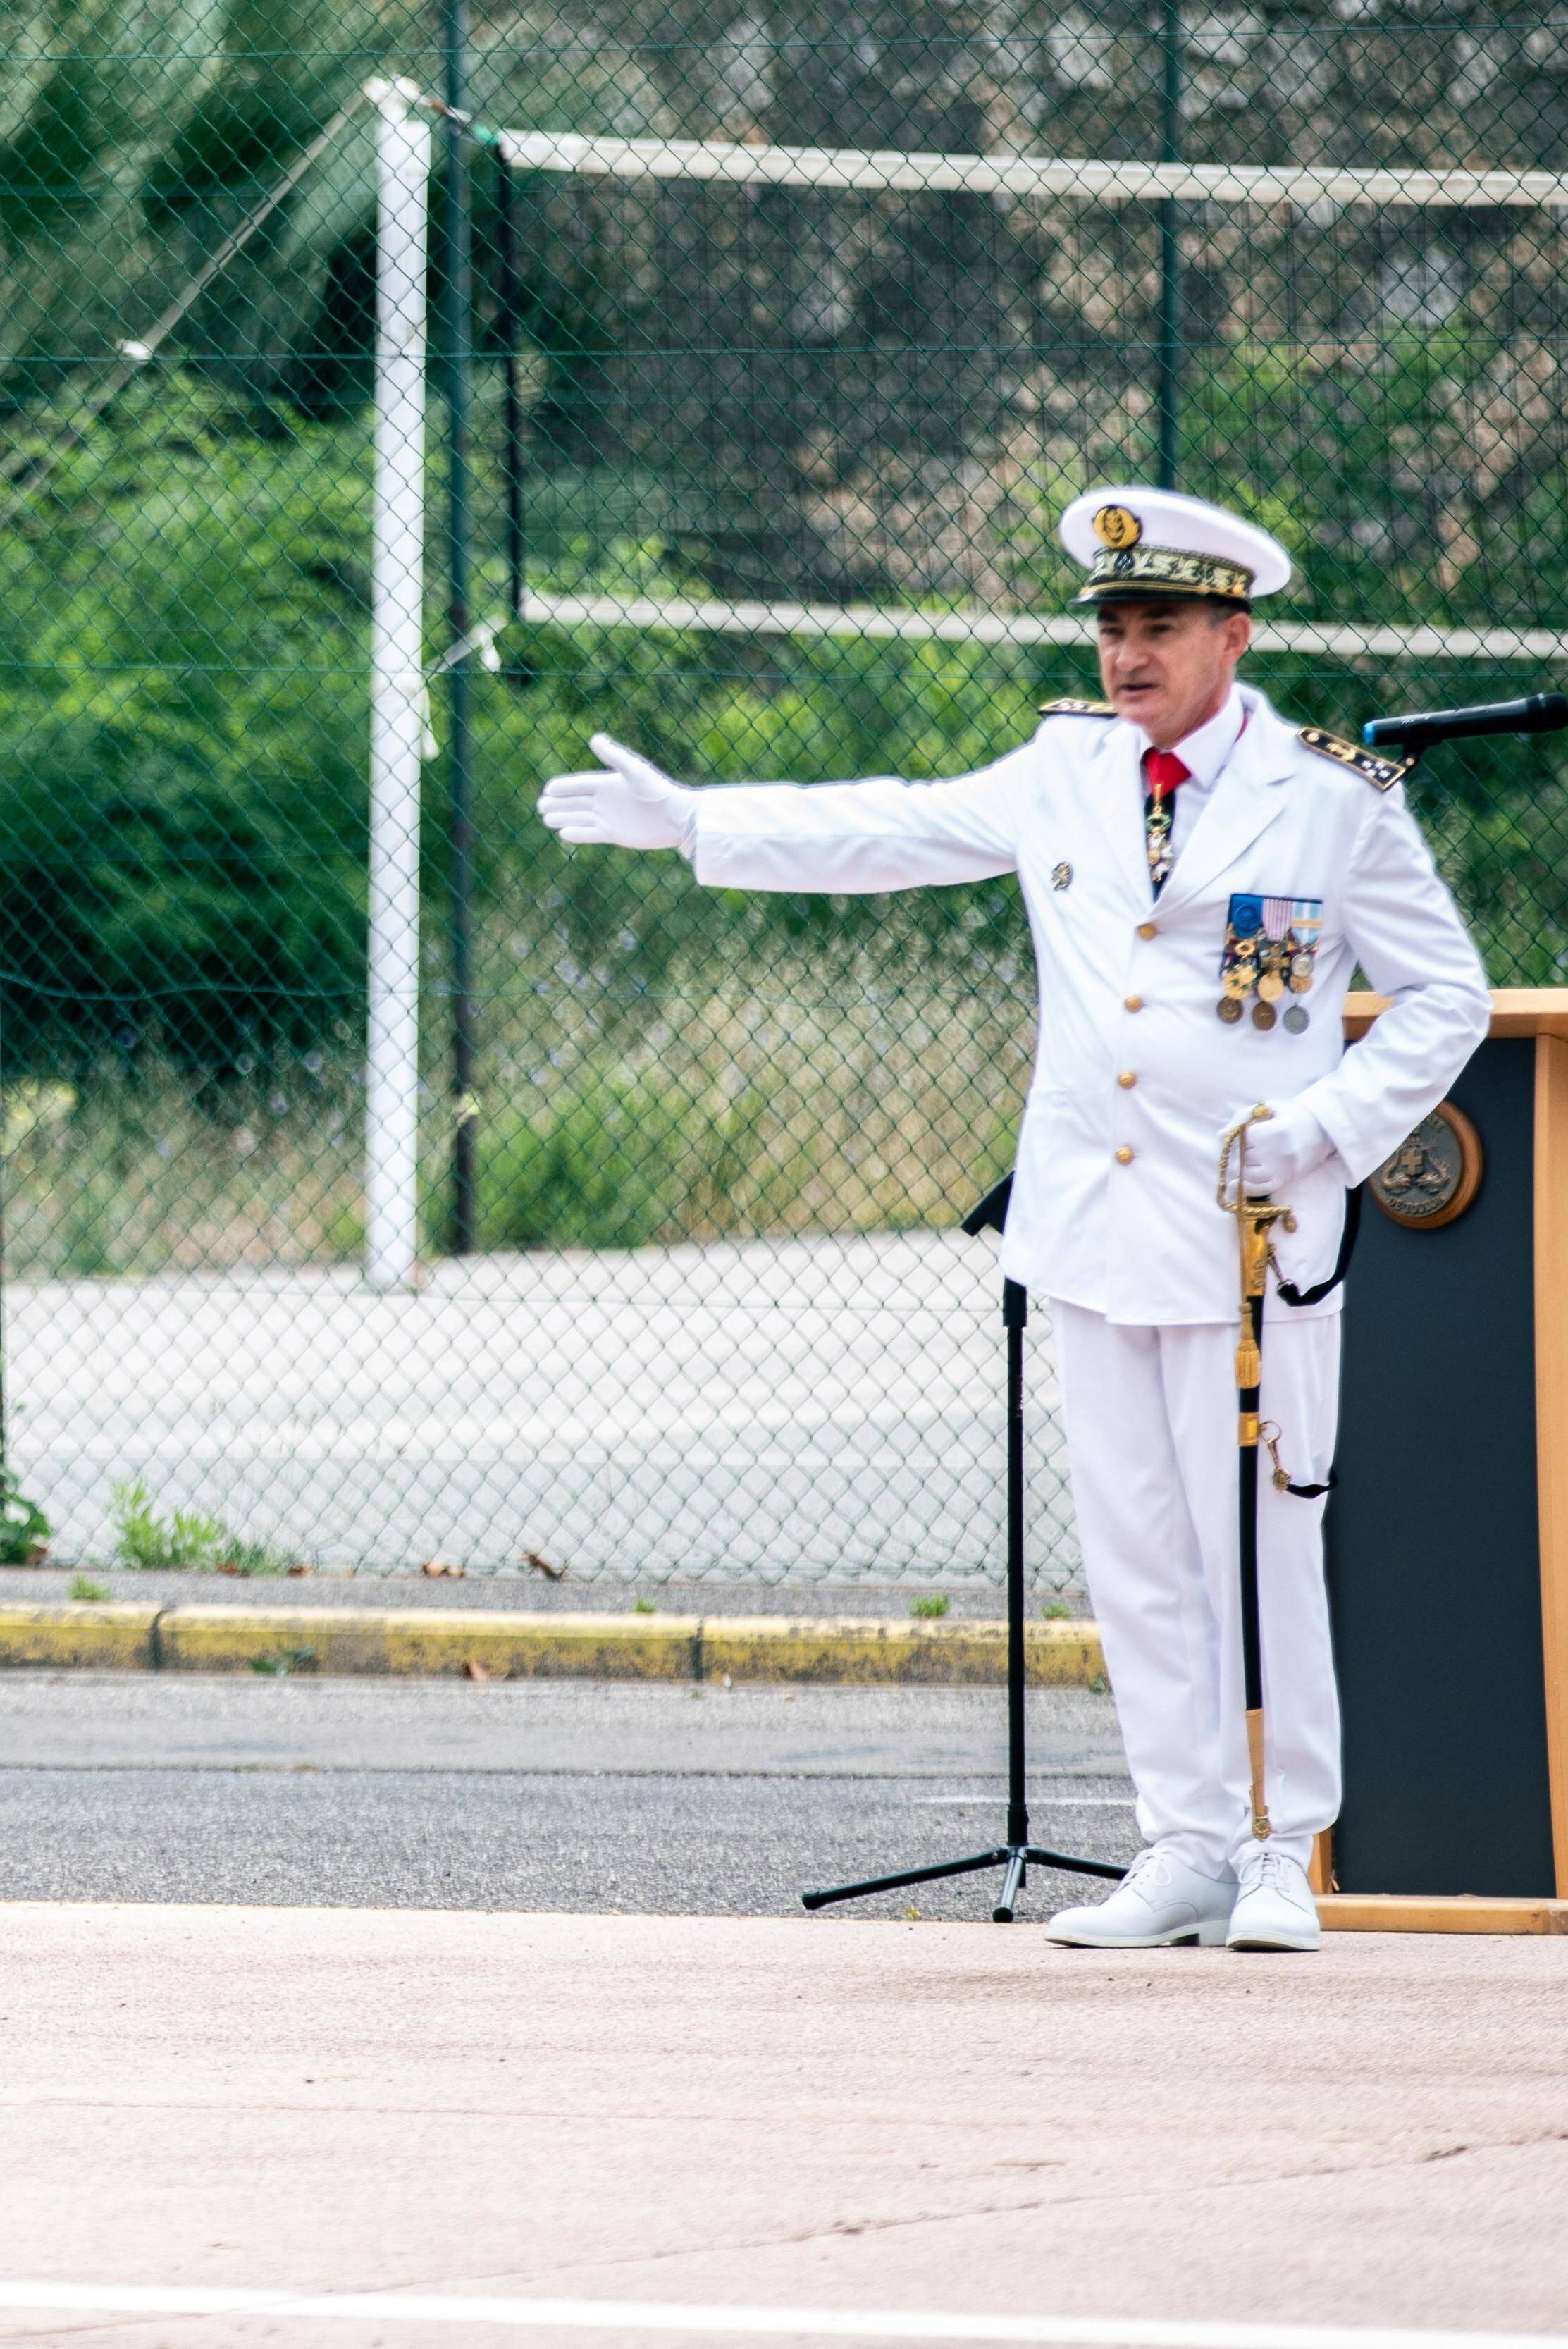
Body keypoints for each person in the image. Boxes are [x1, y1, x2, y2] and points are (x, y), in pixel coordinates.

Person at [538, 487, 1490, 1954]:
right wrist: (695, 825)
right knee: (1137, 1549)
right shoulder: (1065, 768)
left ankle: (1279, 1847)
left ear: (1231, 633)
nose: (1127, 654)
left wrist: (1324, 1130)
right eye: (1112, 627)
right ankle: (1178, 1839)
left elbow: (1445, 994)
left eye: (1158, 626)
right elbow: (894, 826)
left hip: (1252, 1238)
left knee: (1261, 1542)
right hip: (1095, 1226)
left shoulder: (1330, 795)